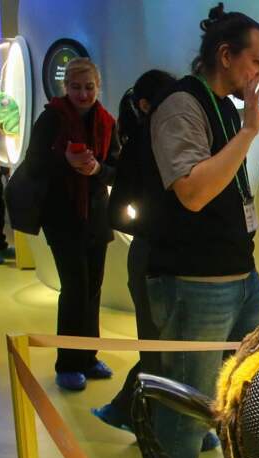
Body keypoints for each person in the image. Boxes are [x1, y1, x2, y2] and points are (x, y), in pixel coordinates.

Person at [144, 4, 259, 458]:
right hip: (194, 278)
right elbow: (194, 192)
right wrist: (249, 133)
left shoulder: (221, 105)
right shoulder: (181, 104)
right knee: (187, 397)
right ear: (225, 55)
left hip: (238, 272)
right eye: (256, 60)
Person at [92, 70, 185, 436]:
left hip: (174, 260)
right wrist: (159, 225)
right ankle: (134, 413)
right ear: (146, 106)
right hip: (151, 260)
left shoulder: (175, 141)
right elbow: (119, 213)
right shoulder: (141, 146)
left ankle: (140, 413)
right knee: (157, 349)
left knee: (174, 348)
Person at [23, 57, 120, 391]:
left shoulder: (107, 122)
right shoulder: (51, 118)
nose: (83, 94)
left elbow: (116, 169)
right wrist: (64, 161)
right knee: (75, 290)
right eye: (76, 87)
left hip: (96, 217)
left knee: (92, 289)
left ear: (98, 87)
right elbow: (33, 165)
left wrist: (97, 170)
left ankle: (88, 357)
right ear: (65, 87)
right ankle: (67, 363)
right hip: (62, 218)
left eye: (89, 87)